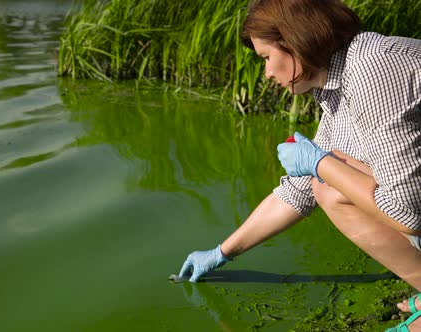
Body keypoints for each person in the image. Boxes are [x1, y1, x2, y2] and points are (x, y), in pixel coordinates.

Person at [176, 0, 421, 331]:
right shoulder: (338, 83)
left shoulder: (370, 68)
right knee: (329, 178)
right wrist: (222, 252)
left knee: (331, 177)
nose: (266, 73)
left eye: (266, 58)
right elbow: (298, 190)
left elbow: (407, 214)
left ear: (295, 41)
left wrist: (320, 163)